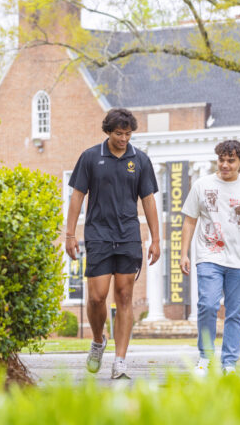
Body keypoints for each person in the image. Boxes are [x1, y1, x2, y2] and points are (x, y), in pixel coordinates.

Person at [65, 108, 160, 379]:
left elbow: (149, 200)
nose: (124, 138)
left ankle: (120, 361)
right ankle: (98, 340)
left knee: (125, 295)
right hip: (98, 234)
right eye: (119, 133)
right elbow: (77, 197)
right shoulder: (91, 157)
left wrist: (156, 238)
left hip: (129, 234)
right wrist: (70, 234)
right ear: (108, 131)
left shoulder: (140, 160)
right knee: (96, 296)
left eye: (128, 134)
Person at [180, 140, 240, 375]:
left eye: (231, 160)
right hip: (209, 255)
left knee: (235, 312)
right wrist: (184, 254)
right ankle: (205, 357)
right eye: (221, 159)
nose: (225, 165)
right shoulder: (202, 185)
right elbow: (190, 220)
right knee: (207, 305)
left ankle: (229, 363)